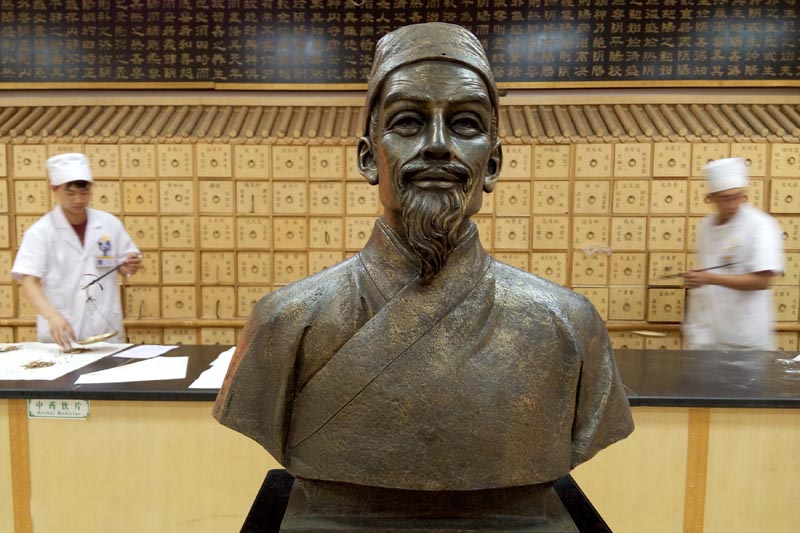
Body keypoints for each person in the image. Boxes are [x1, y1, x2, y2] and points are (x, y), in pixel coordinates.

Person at [214, 22, 632, 526]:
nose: (437, 145)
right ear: (369, 158)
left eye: (466, 125)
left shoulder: (566, 325)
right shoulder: (286, 321)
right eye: (409, 122)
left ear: (493, 164)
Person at [12, 153, 142, 349]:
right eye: (70, 193)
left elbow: (125, 266)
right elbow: (29, 282)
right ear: (54, 189)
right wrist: (51, 315)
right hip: (62, 334)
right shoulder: (41, 232)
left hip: (106, 333)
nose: (78, 200)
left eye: (84, 192)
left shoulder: (108, 224)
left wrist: (130, 265)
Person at [682, 157, 784, 350]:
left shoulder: (759, 225)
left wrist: (710, 278)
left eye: (737, 196)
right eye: (725, 198)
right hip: (709, 336)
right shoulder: (706, 226)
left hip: (745, 338)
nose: (732, 203)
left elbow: (762, 281)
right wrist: (697, 278)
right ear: (711, 197)